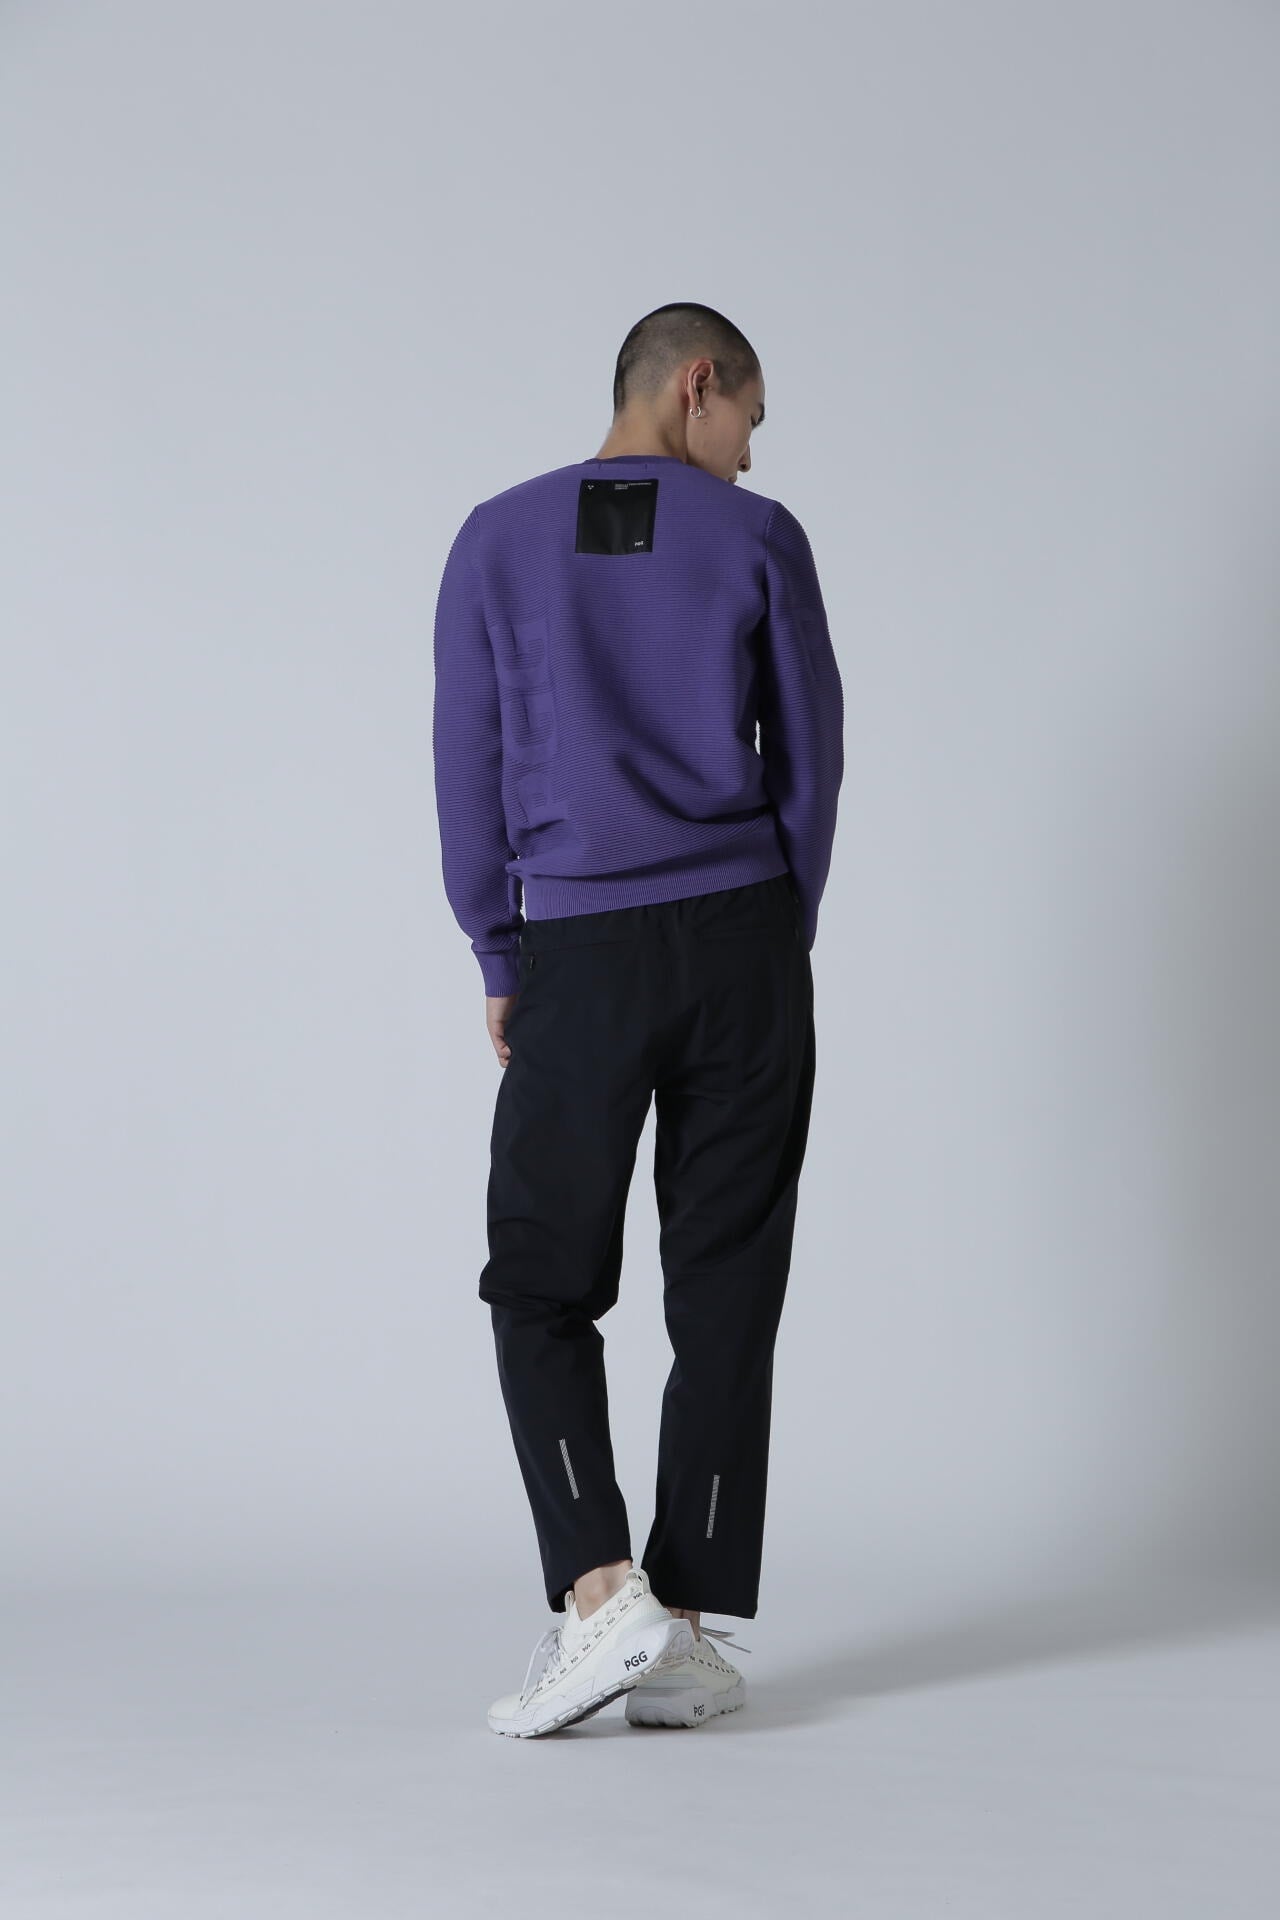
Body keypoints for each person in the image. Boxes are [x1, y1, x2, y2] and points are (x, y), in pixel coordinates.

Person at [431, 301, 844, 1737]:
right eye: (749, 423)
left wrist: (498, 945)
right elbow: (812, 757)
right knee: (726, 1286)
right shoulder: (758, 538)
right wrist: (776, 936)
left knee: (543, 1279)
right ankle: (677, 1626)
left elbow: (467, 760)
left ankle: (609, 1601)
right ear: (696, 386)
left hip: (580, 950)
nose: (748, 457)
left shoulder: (497, 539)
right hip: (745, 945)